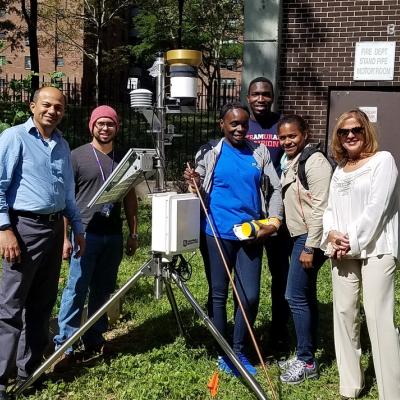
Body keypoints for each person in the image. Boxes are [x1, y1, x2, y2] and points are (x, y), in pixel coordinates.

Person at [184, 102, 283, 376]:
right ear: (222, 125)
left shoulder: (259, 152)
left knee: (249, 296)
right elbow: (198, 186)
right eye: (233, 123)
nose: (240, 128)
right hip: (216, 232)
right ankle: (223, 350)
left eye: (243, 123)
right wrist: (192, 182)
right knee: (219, 293)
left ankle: (239, 349)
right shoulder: (210, 152)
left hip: (251, 233)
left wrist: (274, 221)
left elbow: (275, 188)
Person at [0, 86, 85, 399]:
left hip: (52, 230)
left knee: (41, 305)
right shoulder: (14, 138)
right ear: (32, 105)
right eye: (47, 105)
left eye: (59, 107)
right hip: (23, 229)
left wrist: (77, 229)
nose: (53, 111)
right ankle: (1, 380)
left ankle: (29, 373)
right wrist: (4, 229)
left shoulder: (62, 145)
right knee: (10, 307)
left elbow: (67, 196)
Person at [321, 109, 400, 400]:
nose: (350, 135)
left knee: (379, 319)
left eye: (356, 129)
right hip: (343, 251)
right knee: (344, 314)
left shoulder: (383, 161)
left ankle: (392, 392)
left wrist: (348, 241)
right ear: (338, 138)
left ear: (366, 131)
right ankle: (350, 386)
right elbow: (330, 209)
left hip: (377, 250)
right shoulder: (340, 168)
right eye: (344, 132)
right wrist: (331, 234)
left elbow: (376, 210)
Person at [53, 106, 138, 368]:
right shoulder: (76, 156)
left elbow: (130, 197)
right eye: (100, 123)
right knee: (76, 288)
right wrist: (65, 238)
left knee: (103, 289)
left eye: (110, 124)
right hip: (84, 234)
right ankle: (65, 344)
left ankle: (94, 336)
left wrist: (133, 232)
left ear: (117, 128)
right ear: (92, 126)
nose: (104, 128)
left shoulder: (124, 159)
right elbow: (67, 199)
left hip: (112, 235)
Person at [277, 115, 332, 384]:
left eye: (292, 136)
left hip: (311, 238)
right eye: (283, 137)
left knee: (294, 296)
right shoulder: (291, 162)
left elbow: (321, 207)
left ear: (305, 134)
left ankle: (307, 361)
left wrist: (310, 246)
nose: (287, 141)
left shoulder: (314, 161)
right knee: (306, 296)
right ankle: (305, 353)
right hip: (300, 236)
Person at [246, 77, 291, 350]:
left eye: (265, 94)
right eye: (255, 94)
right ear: (248, 97)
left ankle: (278, 331)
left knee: (280, 274)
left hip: (277, 210)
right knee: (248, 276)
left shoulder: (281, 124)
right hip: (249, 211)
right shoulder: (242, 125)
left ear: (272, 97)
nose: (260, 99)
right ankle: (246, 331)